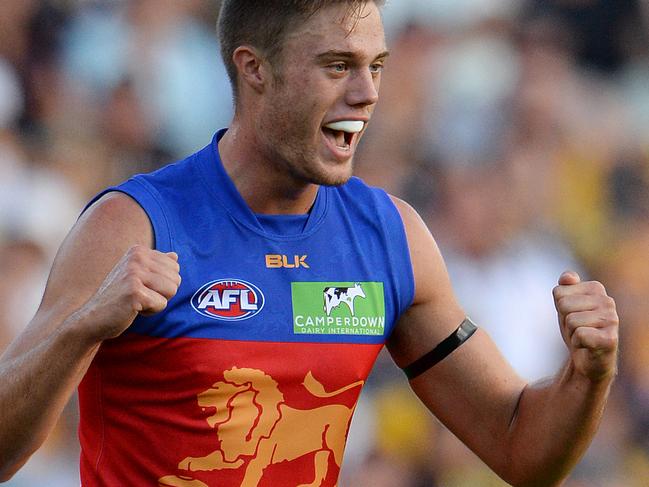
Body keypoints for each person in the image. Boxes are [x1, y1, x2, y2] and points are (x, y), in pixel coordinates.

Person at [0, 1, 619, 486]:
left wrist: (586, 376)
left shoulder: (390, 238)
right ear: (254, 69)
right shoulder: (133, 224)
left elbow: (522, 451)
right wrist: (79, 328)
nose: (367, 92)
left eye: (376, 66)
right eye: (337, 65)